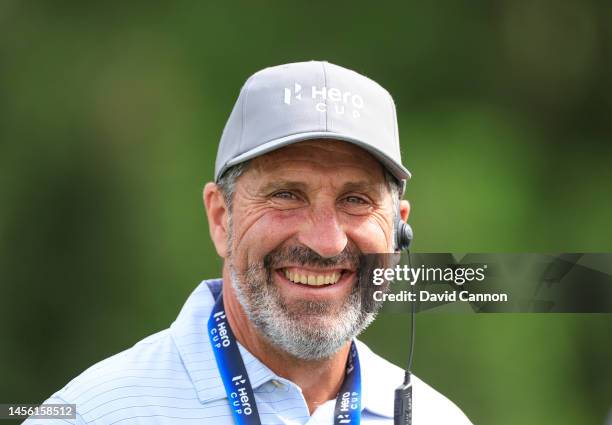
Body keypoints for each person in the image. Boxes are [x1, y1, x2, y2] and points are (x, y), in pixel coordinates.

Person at [25, 61, 472, 424]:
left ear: (397, 230)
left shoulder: (439, 418)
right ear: (222, 219)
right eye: (286, 195)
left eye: (355, 200)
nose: (326, 242)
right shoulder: (90, 415)